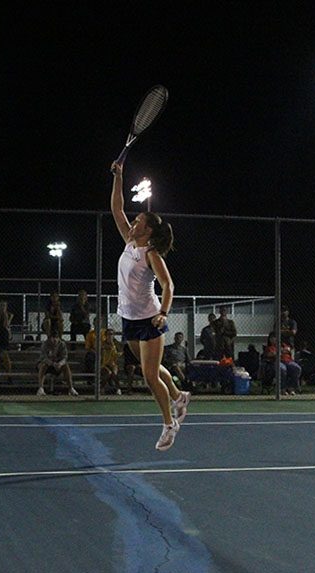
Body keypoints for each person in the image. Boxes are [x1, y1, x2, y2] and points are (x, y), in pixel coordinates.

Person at [111, 160, 190, 451]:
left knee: (148, 374)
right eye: (133, 222)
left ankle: (170, 424)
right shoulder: (128, 243)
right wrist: (118, 177)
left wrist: (163, 313)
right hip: (129, 318)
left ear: (147, 231)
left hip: (149, 319)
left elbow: (169, 285)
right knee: (153, 368)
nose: (132, 223)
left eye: (137, 223)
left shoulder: (151, 254)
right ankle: (179, 395)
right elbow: (116, 209)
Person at [36, 330, 78, 396]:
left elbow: (65, 357)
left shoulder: (62, 344)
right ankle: (41, 388)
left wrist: (60, 363)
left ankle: (71, 388)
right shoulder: (45, 344)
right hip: (47, 364)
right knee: (43, 365)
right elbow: (44, 357)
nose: (55, 339)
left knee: (66, 366)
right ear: (50, 338)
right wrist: (53, 363)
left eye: (56, 337)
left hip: (57, 365)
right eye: (53, 338)